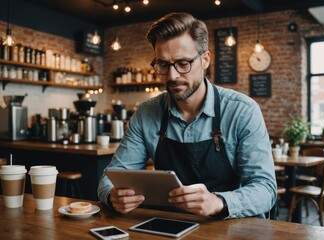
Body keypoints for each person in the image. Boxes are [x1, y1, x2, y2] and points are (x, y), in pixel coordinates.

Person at [98, 12, 277, 219]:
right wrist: (113, 196)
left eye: (183, 63)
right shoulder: (146, 113)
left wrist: (219, 202)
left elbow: (265, 189)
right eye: (163, 65)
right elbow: (110, 177)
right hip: (170, 224)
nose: (172, 76)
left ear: (205, 60)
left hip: (231, 226)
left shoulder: (242, 111)